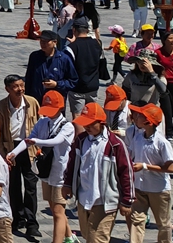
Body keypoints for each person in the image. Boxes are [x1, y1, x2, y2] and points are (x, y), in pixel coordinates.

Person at [62, 102, 134, 243]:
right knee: (87, 235)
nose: (86, 127)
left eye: (90, 123)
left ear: (101, 122)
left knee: (97, 239)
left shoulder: (115, 144)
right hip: (83, 199)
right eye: (84, 123)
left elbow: (126, 172)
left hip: (105, 202)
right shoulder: (81, 140)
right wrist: (68, 184)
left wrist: (127, 200)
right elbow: (72, 164)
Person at [0, 75, 40, 239]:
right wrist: (1, 154)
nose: (20, 89)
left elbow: (40, 125)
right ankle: (17, 217)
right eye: (15, 86)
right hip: (10, 148)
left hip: (29, 148)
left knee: (31, 186)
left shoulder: (32, 102)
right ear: (7, 89)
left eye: (21, 85)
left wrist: (39, 148)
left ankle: (32, 223)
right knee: (13, 186)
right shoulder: (0, 107)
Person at [125, 104, 173, 243]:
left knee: (163, 224)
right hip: (140, 187)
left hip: (158, 189)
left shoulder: (162, 143)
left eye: (140, 116)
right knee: (136, 220)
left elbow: (170, 168)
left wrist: (145, 166)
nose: (136, 117)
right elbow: (131, 156)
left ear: (148, 122)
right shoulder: (137, 138)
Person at [65, 20, 103, 118]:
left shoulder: (71, 47)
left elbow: (66, 66)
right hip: (93, 85)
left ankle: (79, 134)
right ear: (87, 30)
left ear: (74, 30)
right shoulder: (97, 44)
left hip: (77, 87)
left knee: (78, 116)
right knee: (92, 115)